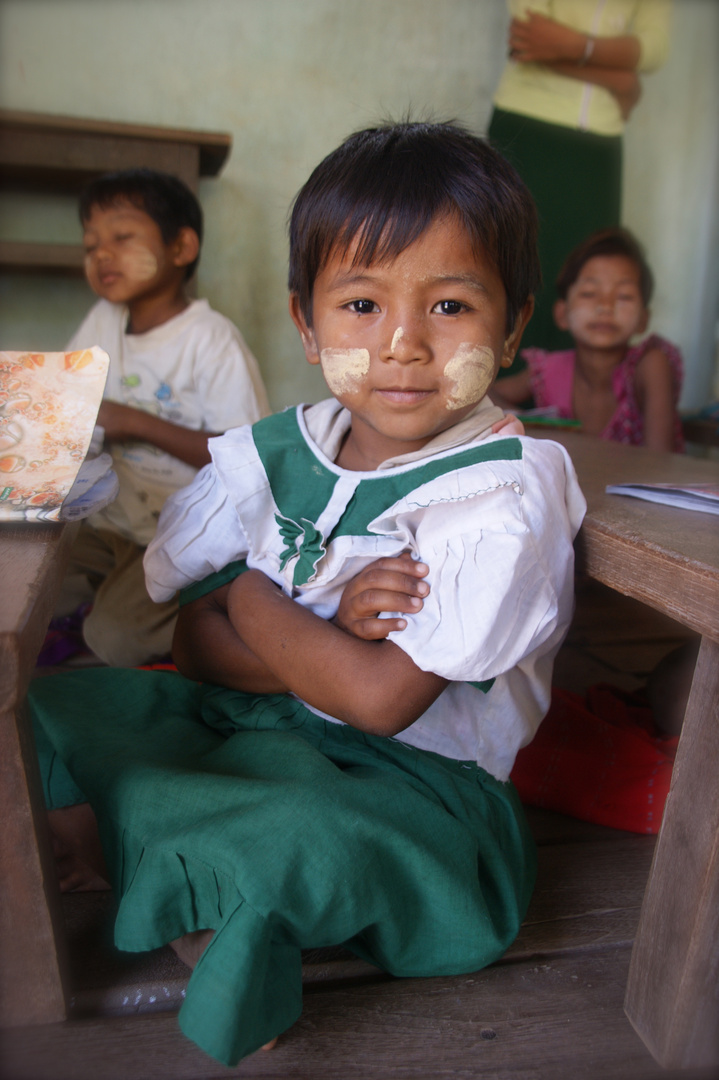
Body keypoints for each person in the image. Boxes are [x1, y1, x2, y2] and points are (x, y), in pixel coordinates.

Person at [29, 122, 586, 1066]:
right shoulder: (279, 453)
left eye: (449, 304)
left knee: (292, 837)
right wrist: (311, 633)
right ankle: (150, 853)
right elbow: (194, 648)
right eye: (361, 304)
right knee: (58, 699)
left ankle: (202, 897)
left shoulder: (501, 492)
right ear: (306, 320)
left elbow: (374, 701)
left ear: (514, 322)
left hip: (415, 792)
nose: (402, 344)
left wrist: (253, 602)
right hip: (267, 730)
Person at [58, 167, 270, 667]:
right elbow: (67, 397)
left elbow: (244, 459)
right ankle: (114, 594)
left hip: (179, 533)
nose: (101, 254)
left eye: (122, 237)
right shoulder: (103, 320)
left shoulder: (211, 340)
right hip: (113, 521)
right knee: (27, 566)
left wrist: (133, 422)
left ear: (181, 248)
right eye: (91, 245)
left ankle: (216, 600)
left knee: (113, 637)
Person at [489, 0, 672, 360]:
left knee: (588, 270)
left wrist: (575, 47)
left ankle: (569, 405)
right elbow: (529, 36)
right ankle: (499, 400)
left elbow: (653, 48)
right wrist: (618, 75)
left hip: (599, 142)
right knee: (510, 264)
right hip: (527, 126)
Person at [490, 227, 684, 452]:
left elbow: (658, 461)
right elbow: (484, 392)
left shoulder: (650, 365)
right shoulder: (550, 371)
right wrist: (520, 418)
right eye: (589, 294)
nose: (605, 307)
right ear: (562, 314)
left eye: (624, 296)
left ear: (643, 319)